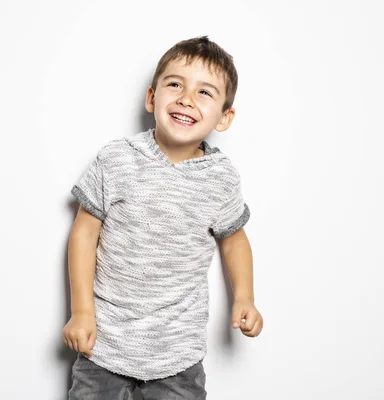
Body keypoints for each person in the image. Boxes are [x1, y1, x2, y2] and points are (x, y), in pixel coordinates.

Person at [63, 36, 263, 399]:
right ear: (152, 97)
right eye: (175, 85)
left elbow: (234, 240)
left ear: (225, 117)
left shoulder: (220, 178)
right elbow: (83, 235)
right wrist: (80, 311)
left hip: (177, 355)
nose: (186, 98)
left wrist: (245, 297)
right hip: (103, 345)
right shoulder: (116, 159)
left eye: (205, 93)